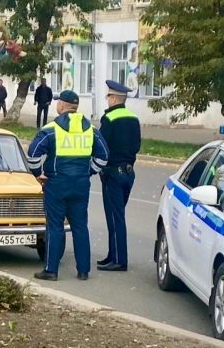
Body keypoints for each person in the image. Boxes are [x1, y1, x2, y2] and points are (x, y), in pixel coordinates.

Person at [26, 89, 108, 282]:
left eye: (58, 102)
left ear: (62, 105)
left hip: (56, 184)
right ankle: (83, 271)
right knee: (80, 226)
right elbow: (103, 155)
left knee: (55, 227)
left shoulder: (51, 129)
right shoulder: (90, 129)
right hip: (80, 184)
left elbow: (33, 154)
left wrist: (39, 174)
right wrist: (89, 171)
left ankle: (51, 270)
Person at [97, 80, 141, 272]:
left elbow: (101, 145)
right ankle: (112, 254)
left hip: (113, 172)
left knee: (115, 217)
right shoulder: (133, 118)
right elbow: (137, 145)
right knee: (117, 215)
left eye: (108, 97)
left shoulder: (109, 119)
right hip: (129, 172)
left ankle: (119, 260)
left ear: (114, 98)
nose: (107, 100)